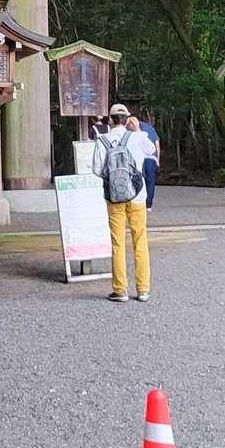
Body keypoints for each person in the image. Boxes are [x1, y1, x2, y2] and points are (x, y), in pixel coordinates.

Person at [91, 106, 155, 303]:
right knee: (140, 241)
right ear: (127, 120)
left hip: (114, 198)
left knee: (117, 243)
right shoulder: (137, 137)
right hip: (137, 196)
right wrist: (137, 131)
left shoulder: (102, 140)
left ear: (110, 120)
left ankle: (120, 290)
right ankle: (143, 290)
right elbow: (152, 151)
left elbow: (96, 169)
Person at [137, 107, 160, 213]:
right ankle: (148, 205)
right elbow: (157, 144)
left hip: (140, 158)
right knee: (150, 182)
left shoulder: (131, 127)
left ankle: (139, 202)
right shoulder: (150, 128)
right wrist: (158, 160)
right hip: (151, 158)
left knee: (139, 179)